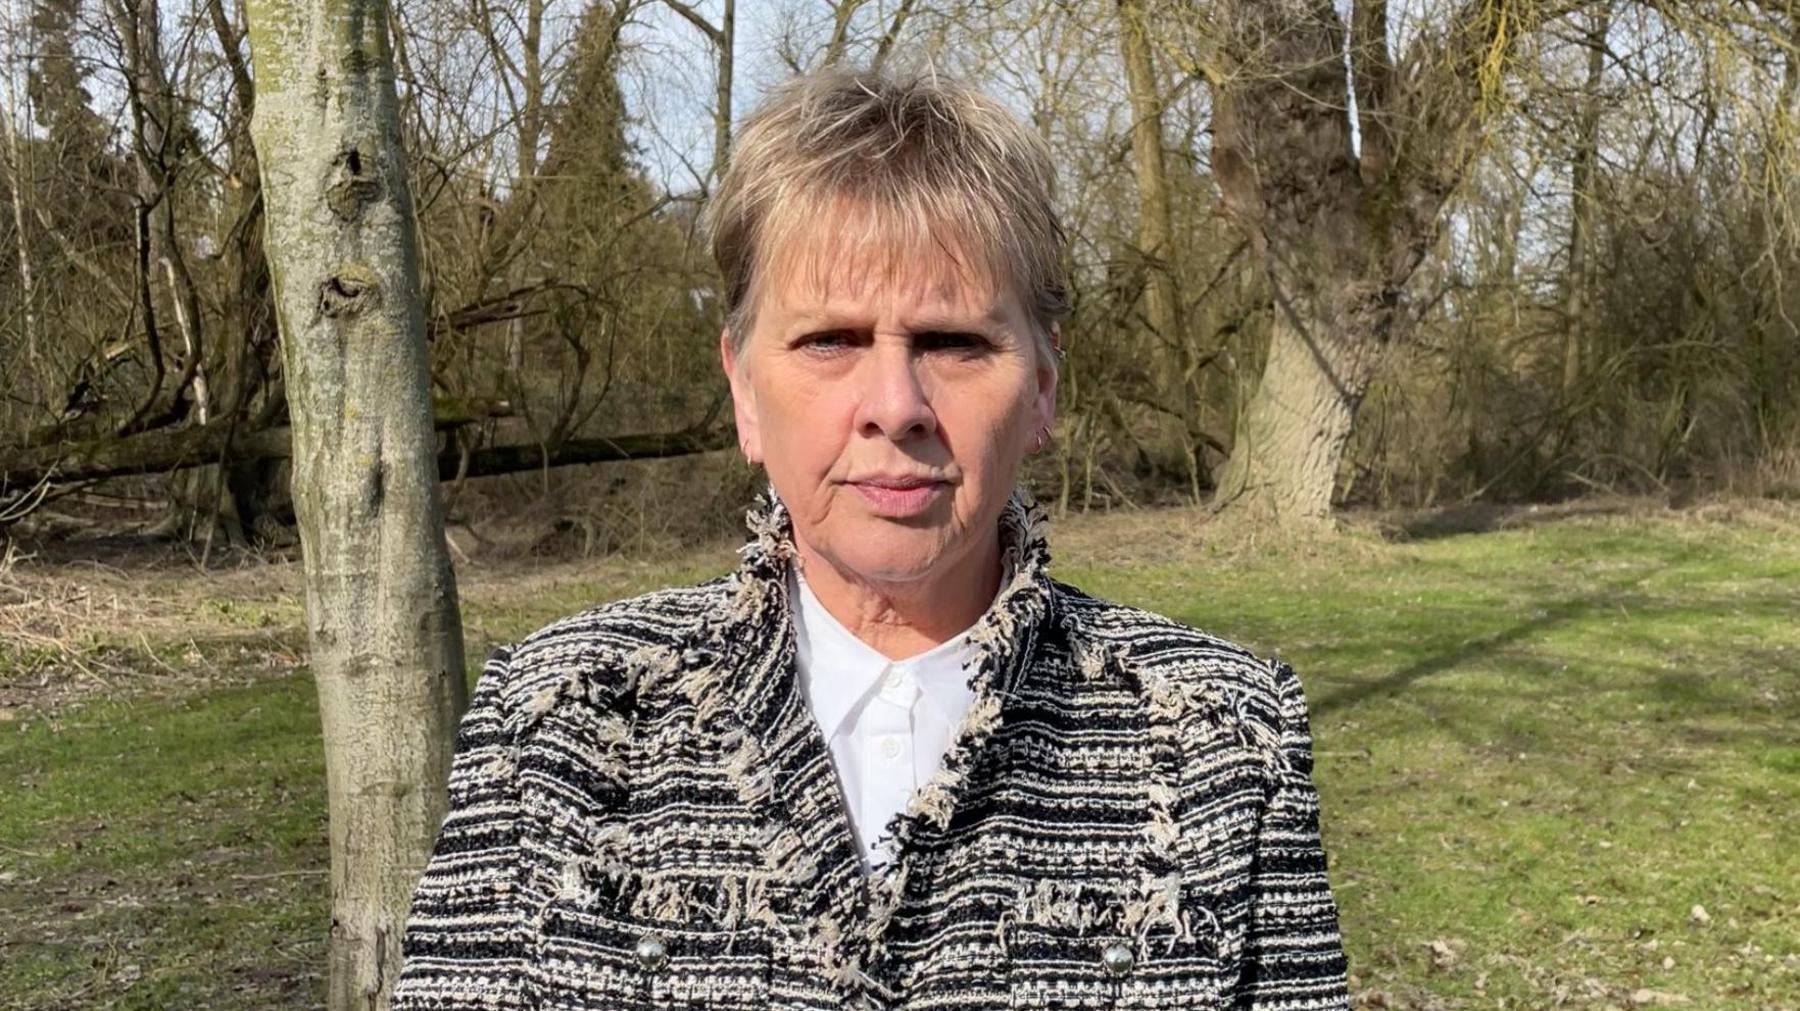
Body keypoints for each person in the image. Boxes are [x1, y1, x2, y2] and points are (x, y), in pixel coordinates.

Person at [392, 66, 1349, 1011]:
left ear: (1045, 388)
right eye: (829, 341)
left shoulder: (1221, 740)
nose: (895, 407)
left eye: (953, 343)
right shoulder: (557, 723)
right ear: (743, 388)